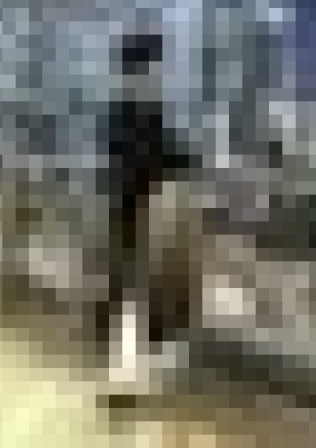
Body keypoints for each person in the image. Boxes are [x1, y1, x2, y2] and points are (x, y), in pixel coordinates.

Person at [94, 31, 199, 382]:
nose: (155, 76)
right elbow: (142, 158)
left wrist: (185, 164)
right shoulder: (122, 112)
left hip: (151, 210)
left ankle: (139, 360)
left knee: (146, 286)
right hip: (130, 209)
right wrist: (171, 165)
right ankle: (122, 367)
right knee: (128, 287)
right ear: (135, 71)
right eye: (150, 68)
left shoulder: (152, 112)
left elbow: (168, 154)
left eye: (156, 69)